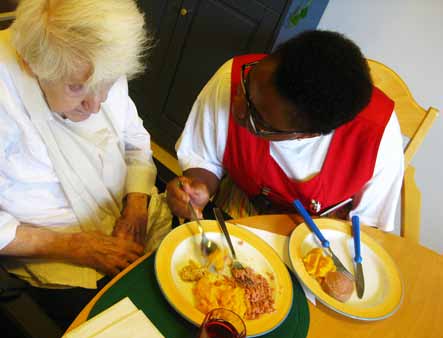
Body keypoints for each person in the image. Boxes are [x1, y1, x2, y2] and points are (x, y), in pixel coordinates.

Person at [0, 0, 171, 329]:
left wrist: (136, 205)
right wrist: (70, 245)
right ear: (32, 64)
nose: (95, 105)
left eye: (107, 84)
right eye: (76, 88)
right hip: (52, 247)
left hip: (125, 215)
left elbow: (134, 137)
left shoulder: (98, 63)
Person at [166, 30, 404, 232]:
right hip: (242, 207)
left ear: (308, 134)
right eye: (247, 86)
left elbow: (366, 230)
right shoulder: (232, 78)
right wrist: (199, 187)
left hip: (320, 235)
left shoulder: (377, 138)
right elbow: (205, 157)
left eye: (257, 118)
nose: (237, 108)